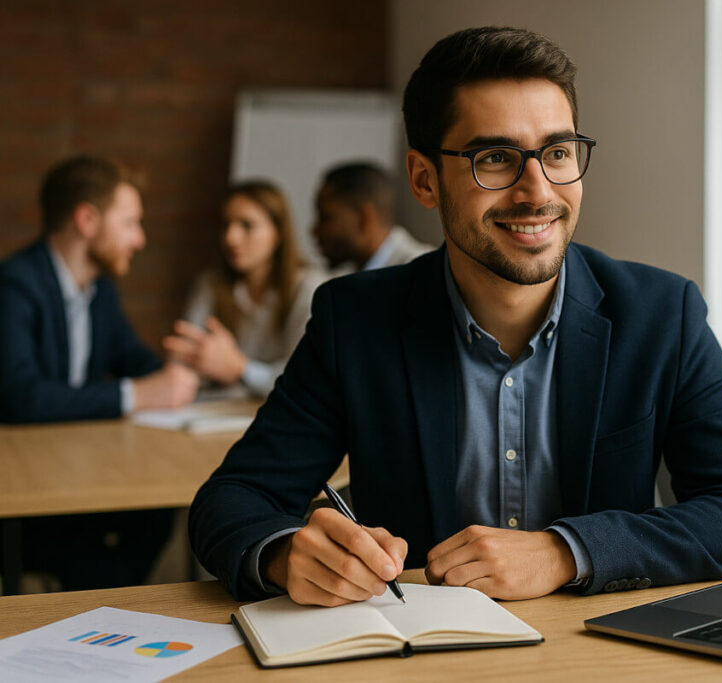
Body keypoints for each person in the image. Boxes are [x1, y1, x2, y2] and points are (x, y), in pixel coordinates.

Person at [190, 27, 722, 605]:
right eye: (496, 159)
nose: (538, 191)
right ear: (425, 180)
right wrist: (284, 554)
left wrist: (565, 551)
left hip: (604, 653)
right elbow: (234, 500)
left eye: (557, 152)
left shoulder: (662, 314)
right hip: (423, 655)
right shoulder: (355, 321)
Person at [0, 155, 195, 589]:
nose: (140, 239)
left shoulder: (99, 287)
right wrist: (137, 395)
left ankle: (108, 611)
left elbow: (135, 360)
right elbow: (21, 397)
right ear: (87, 220)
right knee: (102, 570)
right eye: (130, 223)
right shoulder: (15, 285)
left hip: (73, 471)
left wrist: (186, 369)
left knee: (157, 511)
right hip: (25, 494)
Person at [163, 181, 325, 398]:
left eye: (247, 225)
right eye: (226, 225)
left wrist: (240, 368)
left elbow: (304, 380)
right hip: (216, 416)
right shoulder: (211, 284)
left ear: (278, 233)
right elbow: (185, 363)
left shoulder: (310, 288)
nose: (231, 238)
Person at [312, 161, 433, 277]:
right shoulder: (342, 279)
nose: (314, 231)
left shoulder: (426, 272)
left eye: (326, 218)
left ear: (363, 218)